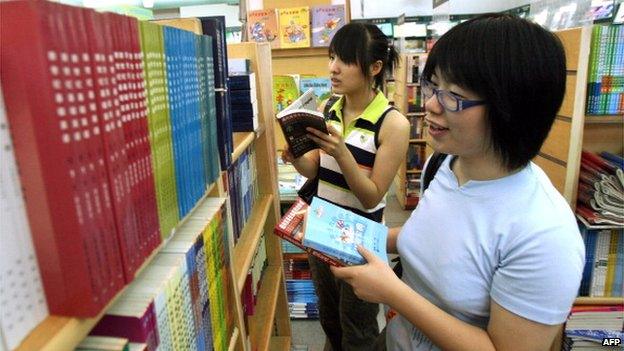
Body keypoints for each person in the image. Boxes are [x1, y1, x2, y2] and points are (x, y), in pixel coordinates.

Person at [331, 14, 585, 350]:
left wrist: (392, 292)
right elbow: (432, 238)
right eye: (434, 86)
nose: (432, 105)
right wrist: (346, 233)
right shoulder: (446, 164)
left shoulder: (544, 234)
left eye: (454, 95)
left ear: (510, 107)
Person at [281, 23, 410, 350]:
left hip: (360, 243)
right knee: (329, 319)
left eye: (346, 60)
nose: (333, 68)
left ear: (374, 68)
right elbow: (316, 171)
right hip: (321, 230)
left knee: (359, 327)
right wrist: (295, 156)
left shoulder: (393, 124)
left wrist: (342, 152)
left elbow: (372, 195)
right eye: (332, 57)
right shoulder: (328, 109)